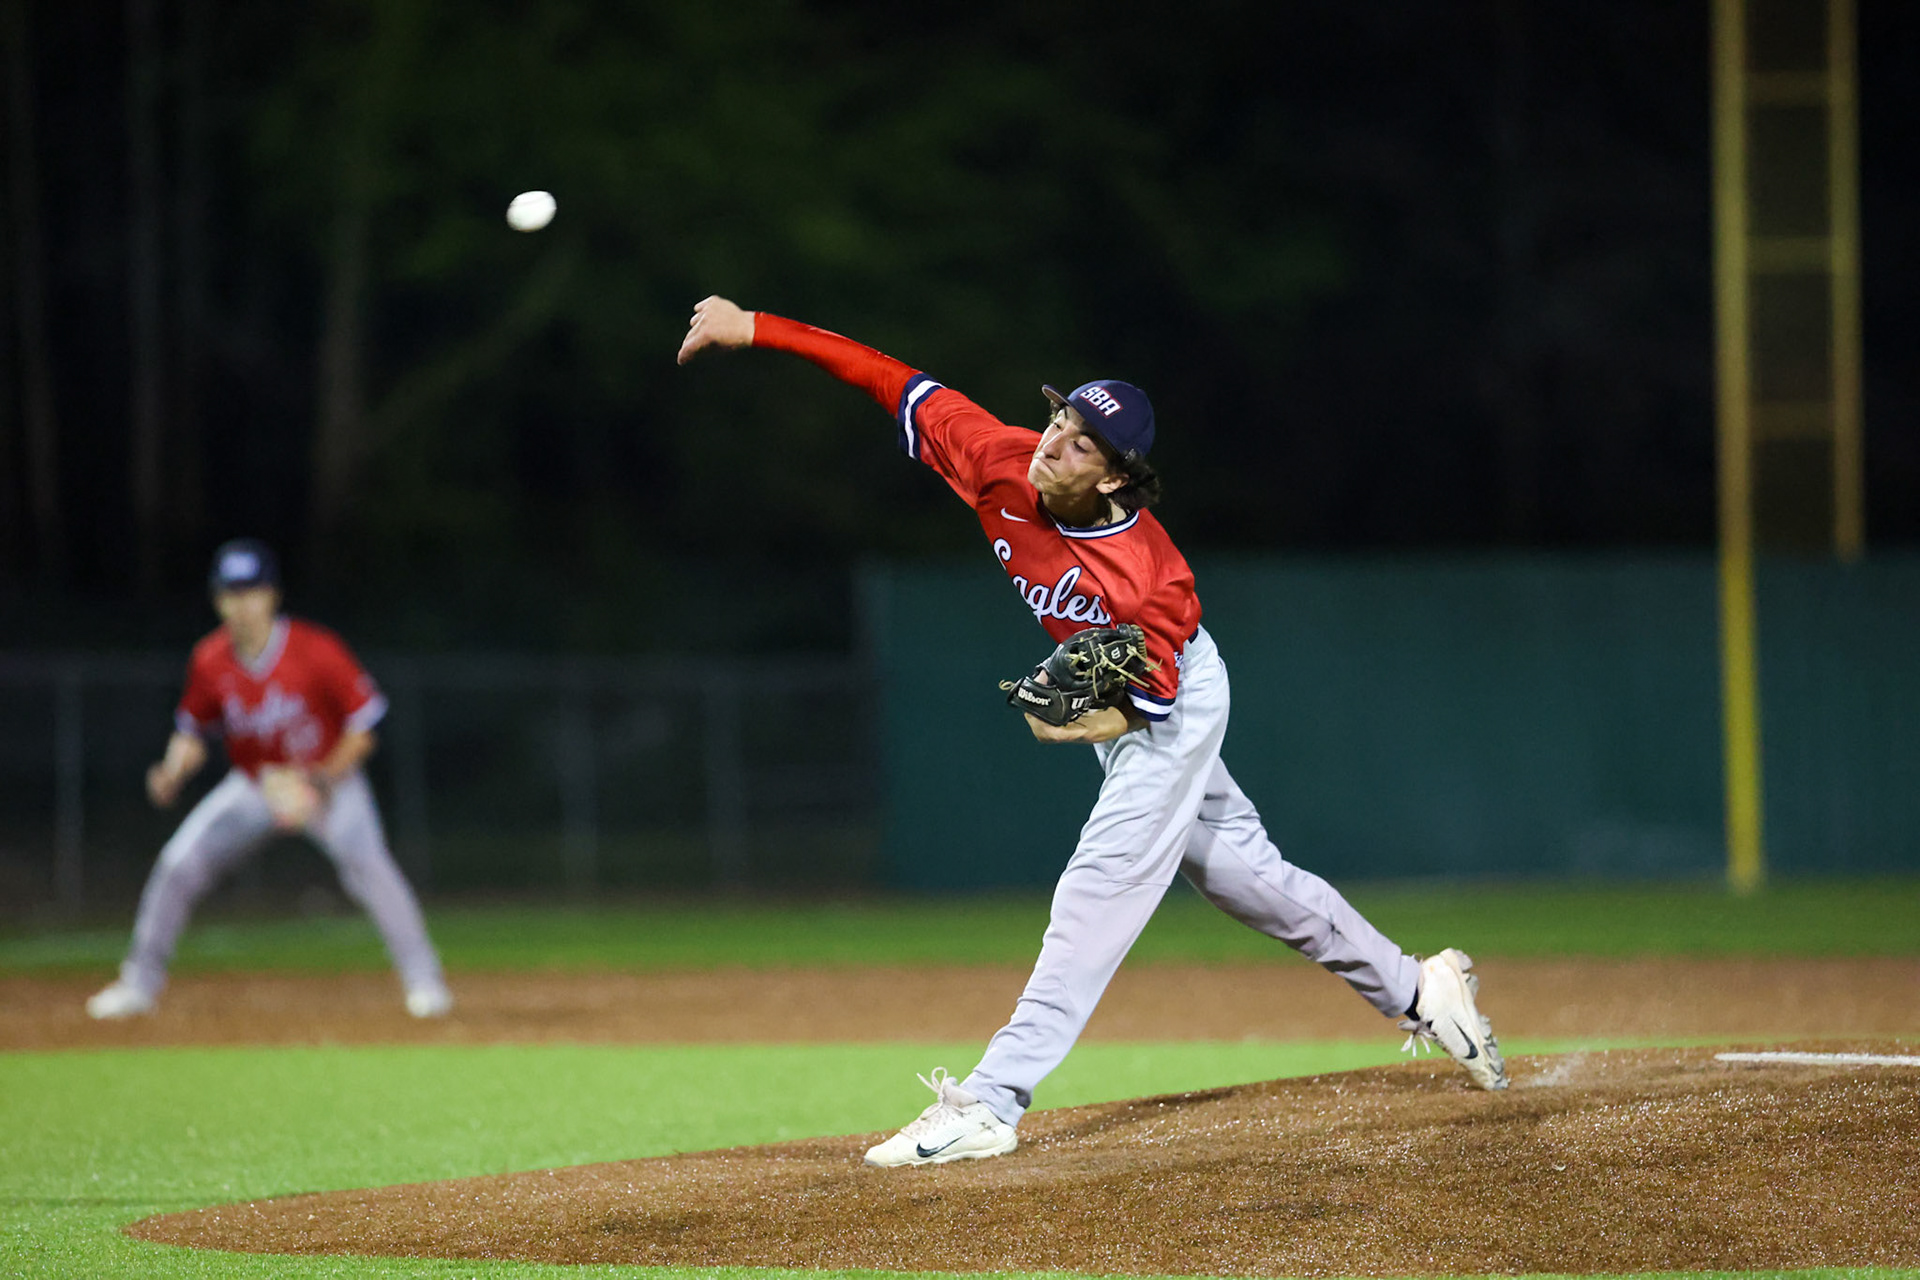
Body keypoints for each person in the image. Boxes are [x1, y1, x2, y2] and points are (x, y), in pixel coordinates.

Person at [679, 297, 1509, 1166]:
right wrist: (756, 327)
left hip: (1172, 695)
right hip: (1134, 698)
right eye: (1060, 418)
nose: (1053, 441)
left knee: (1101, 884)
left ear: (1115, 476)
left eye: (1080, 442)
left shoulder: (1151, 579)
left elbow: (1138, 708)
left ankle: (991, 1101)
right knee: (1241, 877)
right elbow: (890, 379)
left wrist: (1066, 721)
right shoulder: (997, 456)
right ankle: (1421, 988)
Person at [85, 539, 452, 1021]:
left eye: (252, 590)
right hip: (256, 784)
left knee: (368, 863)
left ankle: (425, 982)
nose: (242, 604)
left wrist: (320, 783)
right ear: (218, 600)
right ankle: (139, 984)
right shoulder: (210, 659)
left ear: (273, 595)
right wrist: (173, 770)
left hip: (326, 781)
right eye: (232, 593)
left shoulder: (315, 649)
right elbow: (193, 731)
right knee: (178, 864)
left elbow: (366, 727)